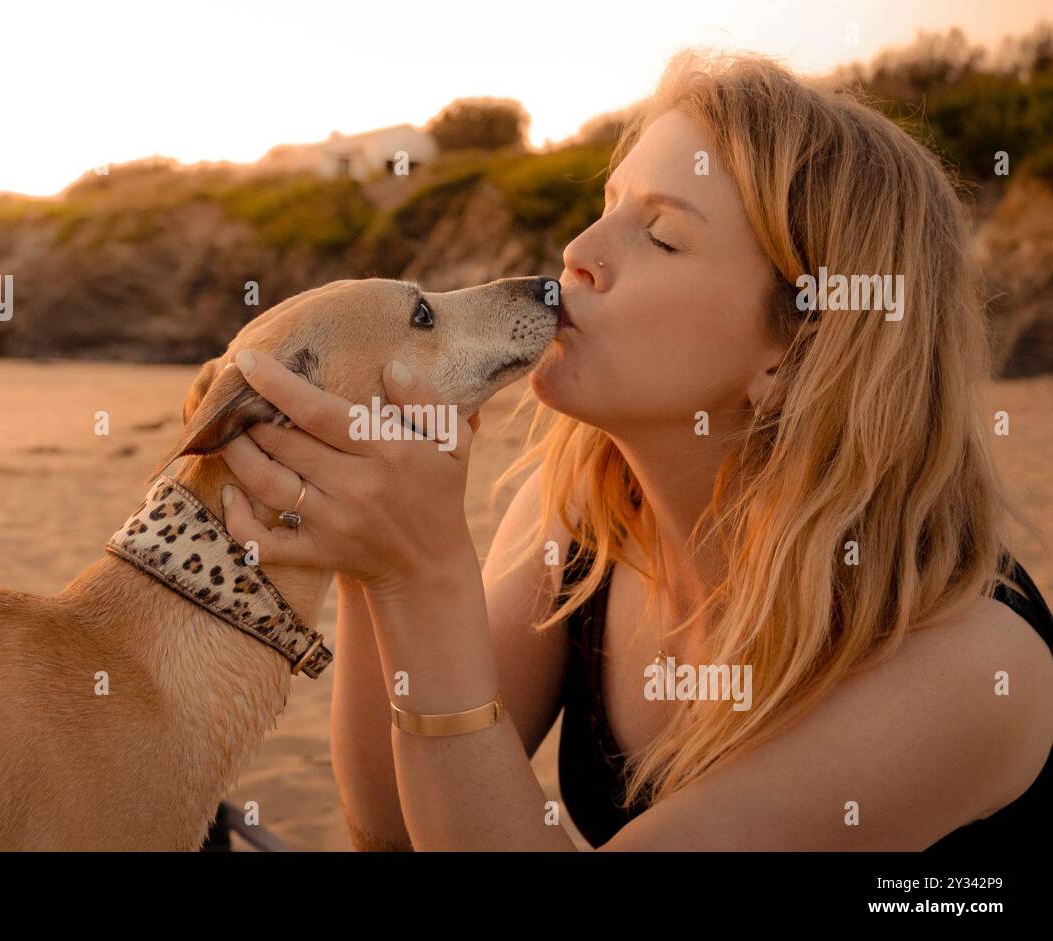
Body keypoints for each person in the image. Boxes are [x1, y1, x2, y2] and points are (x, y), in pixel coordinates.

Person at [214, 50, 1053, 851]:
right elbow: (396, 828)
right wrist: (376, 560)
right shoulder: (579, 509)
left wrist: (424, 575)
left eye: (660, 235)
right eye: (609, 203)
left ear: (797, 351)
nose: (579, 253)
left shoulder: (972, 665)